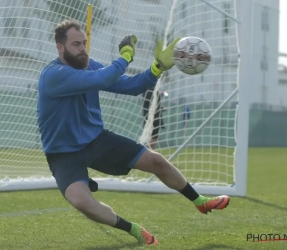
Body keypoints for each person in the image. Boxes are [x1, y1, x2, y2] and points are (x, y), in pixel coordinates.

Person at [37, 19, 230, 247]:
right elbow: (103, 78)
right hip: (63, 153)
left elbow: (132, 85)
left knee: (156, 161)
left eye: (84, 43)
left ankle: (200, 201)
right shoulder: (53, 75)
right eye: (76, 44)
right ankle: (134, 229)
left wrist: (157, 67)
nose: (82, 49)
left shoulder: (90, 66)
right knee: (81, 200)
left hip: (96, 140)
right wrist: (126, 56)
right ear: (60, 47)